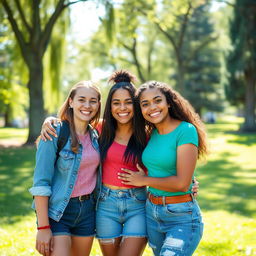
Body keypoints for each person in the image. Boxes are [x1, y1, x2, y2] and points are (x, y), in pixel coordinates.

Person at [40, 72, 200, 256]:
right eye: (116, 103)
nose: (122, 108)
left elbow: (166, 158)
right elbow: (72, 124)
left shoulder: (148, 133)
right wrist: (50, 121)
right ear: (110, 106)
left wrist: (191, 181)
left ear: (137, 105)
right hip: (105, 203)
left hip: (138, 203)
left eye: (129, 102)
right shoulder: (99, 129)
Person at [118, 80, 207, 256]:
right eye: (145, 104)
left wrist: (144, 180)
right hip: (152, 213)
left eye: (157, 100)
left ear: (168, 102)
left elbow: (182, 183)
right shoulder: (151, 134)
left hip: (181, 215)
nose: (152, 107)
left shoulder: (186, 130)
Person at [29, 81, 101, 256]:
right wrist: (43, 227)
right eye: (81, 99)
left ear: (98, 104)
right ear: (71, 102)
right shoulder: (54, 132)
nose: (87, 105)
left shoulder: (95, 135)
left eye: (93, 101)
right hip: (58, 211)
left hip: (87, 212)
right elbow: (41, 182)